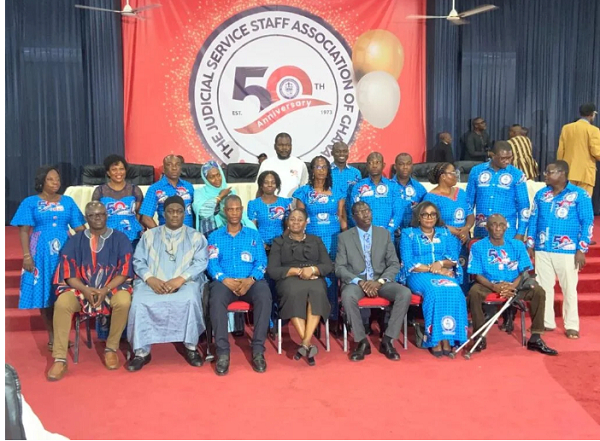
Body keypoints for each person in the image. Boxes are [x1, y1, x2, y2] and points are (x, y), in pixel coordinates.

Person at [47, 202, 133, 381]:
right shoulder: (75, 241)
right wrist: (85, 290)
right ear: (86, 218)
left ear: (107, 215)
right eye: (93, 215)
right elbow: (68, 273)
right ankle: (60, 358)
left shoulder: (120, 238)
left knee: (124, 301)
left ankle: (111, 348)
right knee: (62, 303)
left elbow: (124, 271)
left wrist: (105, 289)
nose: (97, 218)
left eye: (101, 214)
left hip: (111, 288)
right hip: (81, 290)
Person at [127, 196, 208, 372]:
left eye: (179, 211)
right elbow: (138, 261)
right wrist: (150, 279)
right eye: (170, 211)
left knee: (190, 299)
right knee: (139, 301)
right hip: (153, 283)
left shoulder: (196, 236)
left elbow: (201, 263)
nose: (175, 215)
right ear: (164, 214)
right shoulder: (149, 236)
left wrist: (180, 279)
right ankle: (141, 352)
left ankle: (191, 347)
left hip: (184, 283)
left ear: (184, 213)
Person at [10, 165, 86, 351]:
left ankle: (61, 335)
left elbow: (79, 228)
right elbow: (23, 230)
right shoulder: (30, 202)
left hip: (64, 252)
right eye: (51, 179)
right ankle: (52, 337)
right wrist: (26, 255)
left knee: (63, 293)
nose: (56, 183)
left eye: (58, 179)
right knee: (45, 293)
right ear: (42, 182)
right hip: (40, 252)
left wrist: (84, 249)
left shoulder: (68, 201)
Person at [468, 214, 558, 355]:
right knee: (474, 292)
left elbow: (523, 271)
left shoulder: (517, 245)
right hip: (489, 285)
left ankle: (535, 338)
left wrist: (512, 286)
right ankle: (479, 336)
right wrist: (494, 287)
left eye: (501, 225)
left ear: (506, 227)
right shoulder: (478, 247)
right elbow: (476, 274)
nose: (497, 228)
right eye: (493, 224)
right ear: (487, 227)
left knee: (538, 291)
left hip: (515, 284)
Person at [336, 201, 411, 361]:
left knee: (404, 293)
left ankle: (388, 340)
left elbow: (394, 264)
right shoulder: (344, 237)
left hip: (380, 281)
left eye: (367, 210)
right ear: (353, 216)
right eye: (361, 212)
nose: (365, 214)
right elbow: (340, 268)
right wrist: (360, 282)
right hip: (357, 283)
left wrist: (380, 282)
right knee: (348, 296)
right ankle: (362, 341)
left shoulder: (384, 234)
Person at [527, 161, 594, 339]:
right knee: (543, 287)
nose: (545, 175)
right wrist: (530, 244)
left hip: (568, 250)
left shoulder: (580, 195)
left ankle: (571, 324)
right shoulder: (541, 194)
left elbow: (587, 222)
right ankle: (547, 321)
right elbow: (533, 219)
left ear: (562, 173)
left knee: (569, 288)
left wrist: (582, 249)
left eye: (550, 172)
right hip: (543, 247)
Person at [207, 195, 272, 376]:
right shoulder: (215, 236)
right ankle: (222, 352)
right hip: (225, 282)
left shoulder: (253, 235)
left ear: (242, 210)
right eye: (230, 209)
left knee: (264, 295)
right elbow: (212, 263)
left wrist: (250, 279)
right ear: (225, 211)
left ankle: (258, 349)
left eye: (237, 209)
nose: (234, 213)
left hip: (250, 281)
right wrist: (224, 279)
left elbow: (262, 262)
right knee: (216, 297)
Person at [399, 201, 467, 357]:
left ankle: (449, 338)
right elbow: (408, 262)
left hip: (442, 271)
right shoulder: (408, 234)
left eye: (433, 214)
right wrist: (432, 268)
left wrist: (441, 263)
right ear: (418, 217)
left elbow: (453, 258)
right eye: (425, 214)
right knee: (435, 292)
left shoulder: (444, 233)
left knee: (454, 291)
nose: (429, 218)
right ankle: (435, 339)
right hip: (418, 274)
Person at [267, 208, 334, 365]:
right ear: (287, 222)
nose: (295, 222)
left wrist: (312, 270)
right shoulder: (278, 242)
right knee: (293, 291)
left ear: (306, 222)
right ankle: (308, 344)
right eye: (292, 219)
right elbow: (273, 270)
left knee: (317, 291)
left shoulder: (315, 240)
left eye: (299, 219)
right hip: (289, 278)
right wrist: (296, 271)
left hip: (313, 277)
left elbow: (327, 265)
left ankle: (304, 343)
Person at [293, 155, 346, 320]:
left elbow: (341, 216)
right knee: (314, 275)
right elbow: (299, 219)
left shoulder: (337, 191)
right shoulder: (304, 193)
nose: (321, 170)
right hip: (312, 240)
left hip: (333, 238)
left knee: (331, 273)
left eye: (324, 167)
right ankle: (313, 312)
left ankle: (332, 314)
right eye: (318, 167)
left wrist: (348, 239)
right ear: (312, 170)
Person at [423, 162, 474, 288]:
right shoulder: (431, 197)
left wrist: (466, 229)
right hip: (444, 242)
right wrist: (453, 231)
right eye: (453, 173)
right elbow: (429, 222)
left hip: (463, 240)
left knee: (465, 276)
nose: (456, 176)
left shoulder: (461, 193)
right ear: (443, 176)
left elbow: (470, 215)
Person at [467, 141, 530, 240]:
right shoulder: (476, 171)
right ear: (492, 155)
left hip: (507, 233)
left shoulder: (517, 174)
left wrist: (521, 233)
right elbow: (468, 202)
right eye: (503, 158)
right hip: (482, 231)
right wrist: (467, 227)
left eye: (510, 157)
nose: (507, 161)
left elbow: (523, 205)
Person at [92, 154, 144, 246]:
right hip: (107, 236)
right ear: (108, 172)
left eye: (121, 169)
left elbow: (140, 214)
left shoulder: (134, 190)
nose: (118, 172)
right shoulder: (100, 191)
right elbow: (94, 215)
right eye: (114, 170)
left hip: (132, 236)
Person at [193, 161, 256, 236]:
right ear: (206, 179)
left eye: (218, 175)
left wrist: (254, 232)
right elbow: (202, 212)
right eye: (212, 177)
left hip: (230, 234)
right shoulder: (200, 192)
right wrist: (220, 197)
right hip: (209, 234)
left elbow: (240, 215)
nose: (216, 179)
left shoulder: (230, 192)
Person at [350, 152, 407, 235]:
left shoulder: (393, 186)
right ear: (367, 166)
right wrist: (363, 230)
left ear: (383, 165)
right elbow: (353, 213)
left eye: (378, 162)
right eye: (371, 163)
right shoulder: (358, 187)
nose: (374, 165)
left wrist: (388, 231)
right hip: (364, 235)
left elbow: (398, 212)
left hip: (387, 235)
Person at [139, 154, 194, 228]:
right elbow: (146, 218)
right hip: (167, 236)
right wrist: (159, 235)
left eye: (177, 165)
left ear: (181, 168)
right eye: (169, 165)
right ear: (164, 169)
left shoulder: (188, 186)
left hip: (189, 235)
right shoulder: (155, 188)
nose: (174, 168)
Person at [557, 103, 600, 196]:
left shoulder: (566, 128)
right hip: (585, 173)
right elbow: (596, 152)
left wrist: (560, 168)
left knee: (567, 201)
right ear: (592, 114)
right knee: (583, 201)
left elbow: (561, 151)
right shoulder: (594, 130)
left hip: (568, 170)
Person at [247, 170, 292, 250]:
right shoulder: (253, 204)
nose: (270, 185)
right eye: (266, 182)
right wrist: (262, 244)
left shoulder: (285, 202)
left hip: (281, 245)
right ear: (261, 185)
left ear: (277, 185)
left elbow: (288, 226)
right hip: (260, 246)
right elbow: (252, 228)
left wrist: (280, 242)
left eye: (273, 182)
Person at [256, 132, 309, 197]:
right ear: (275, 146)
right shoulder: (266, 164)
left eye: (287, 145)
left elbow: (304, 188)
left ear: (291, 146)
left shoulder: (300, 164)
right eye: (280, 145)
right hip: (271, 206)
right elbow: (259, 188)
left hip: (294, 206)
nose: (284, 148)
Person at [330, 141, 362, 227]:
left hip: (351, 212)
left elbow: (359, 194)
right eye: (338, 151)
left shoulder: (356, 173)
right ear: (332, 153)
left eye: (344, 151)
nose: (342, 154)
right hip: (332, 212)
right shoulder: (326, 171)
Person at [392, 153, 427, 228]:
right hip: (392, 231)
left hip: (413, 231)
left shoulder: (419, 188)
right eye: (401, 164)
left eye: (408, 164)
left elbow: (426, 210)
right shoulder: (388, 187)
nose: (405, 167)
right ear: (395, 166)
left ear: (412, 166)